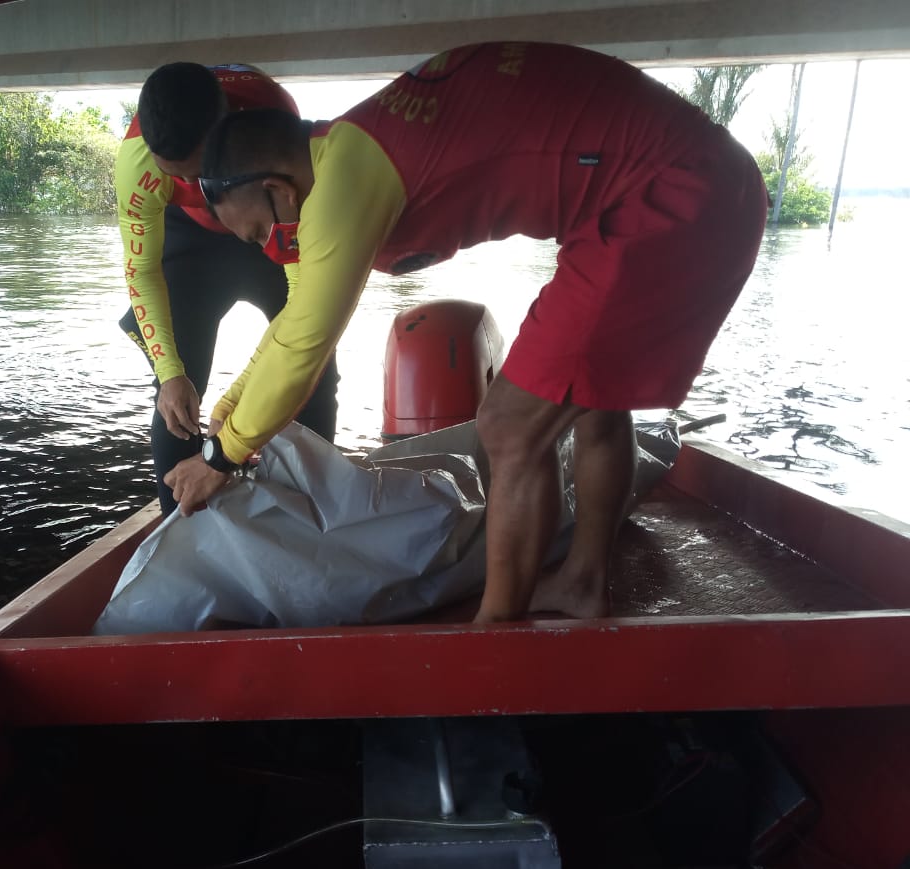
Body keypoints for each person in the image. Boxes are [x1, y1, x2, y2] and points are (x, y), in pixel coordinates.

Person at [165, 42, 767, 623]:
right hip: (669, 184)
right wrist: (230, 406)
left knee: (508, 425)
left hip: (672, 192)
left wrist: (220, 456)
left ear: (277, 189)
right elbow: (297, 317)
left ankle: (494, 635)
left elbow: (305, 345)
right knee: (593, 403)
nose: (270, 247)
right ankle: (582, 582)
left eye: (257, 232)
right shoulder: (343, 151)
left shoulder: (343, 184)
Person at [114, 61, 340, 516]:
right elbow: (142, 272)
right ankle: (180, 530)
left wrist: (238, 403)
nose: (191, 185)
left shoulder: (276, 128)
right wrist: (169, 373)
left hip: (265, 212)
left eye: (200, 173)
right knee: (175, 395)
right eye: (175, 176)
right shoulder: (137, 166)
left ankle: (316, 509)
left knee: (314, 370)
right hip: (189, 239)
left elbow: (305, 312)